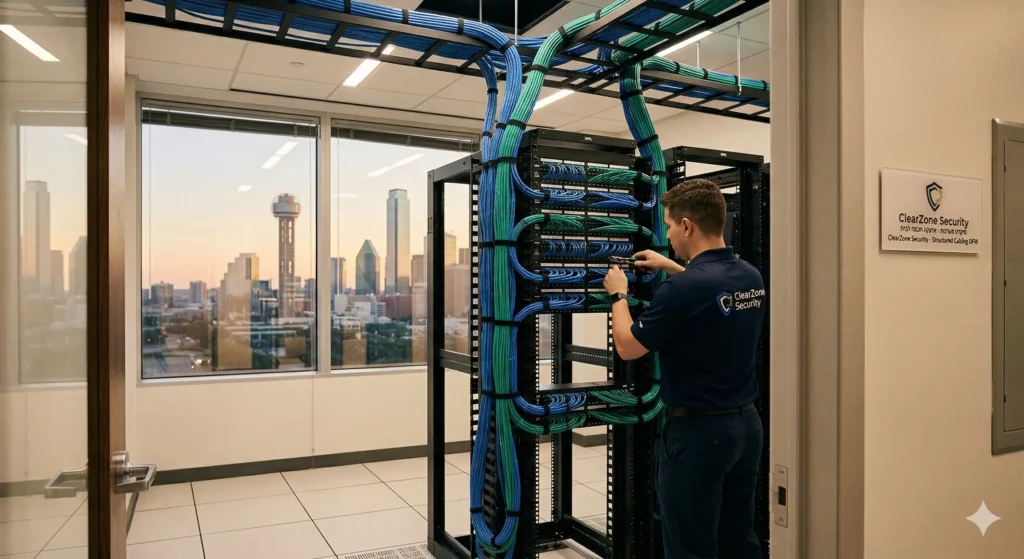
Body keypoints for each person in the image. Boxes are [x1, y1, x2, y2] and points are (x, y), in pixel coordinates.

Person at [602, 178, 766, 559]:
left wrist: (618, 295)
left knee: (690, 545)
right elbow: (711, 294)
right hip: (745, 429)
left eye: (671, 226)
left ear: (688, 225)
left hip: (697, 436)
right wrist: (673, 266)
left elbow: (628, 347)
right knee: (738, 539)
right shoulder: (749, 276)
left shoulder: (682, 290)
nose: (669, 235)